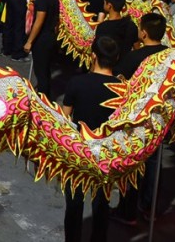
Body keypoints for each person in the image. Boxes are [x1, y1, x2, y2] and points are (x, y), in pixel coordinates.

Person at [61, 36, 121, 242]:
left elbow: (64, 118)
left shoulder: (77, 82)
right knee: (102, 202)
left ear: (93, 56)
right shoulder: (123, 89)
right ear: (117, 58)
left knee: (74, 202)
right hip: (107, 152)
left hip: (79, 149)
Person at [111, 14, 170, 224]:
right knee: (154, 163)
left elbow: (117, 81)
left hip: (137, 121)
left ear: (143, 32)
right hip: (162, 120)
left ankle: (128, 211)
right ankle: (148, 205)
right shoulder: (170, 56)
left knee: (134, 164)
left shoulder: (135, 57)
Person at [23, 0, 59, 96]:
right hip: (50, 37)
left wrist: (29, 41)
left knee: (41, 73)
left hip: (42, 39)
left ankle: (43, 101)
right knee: (45, 71)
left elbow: (39, 21)